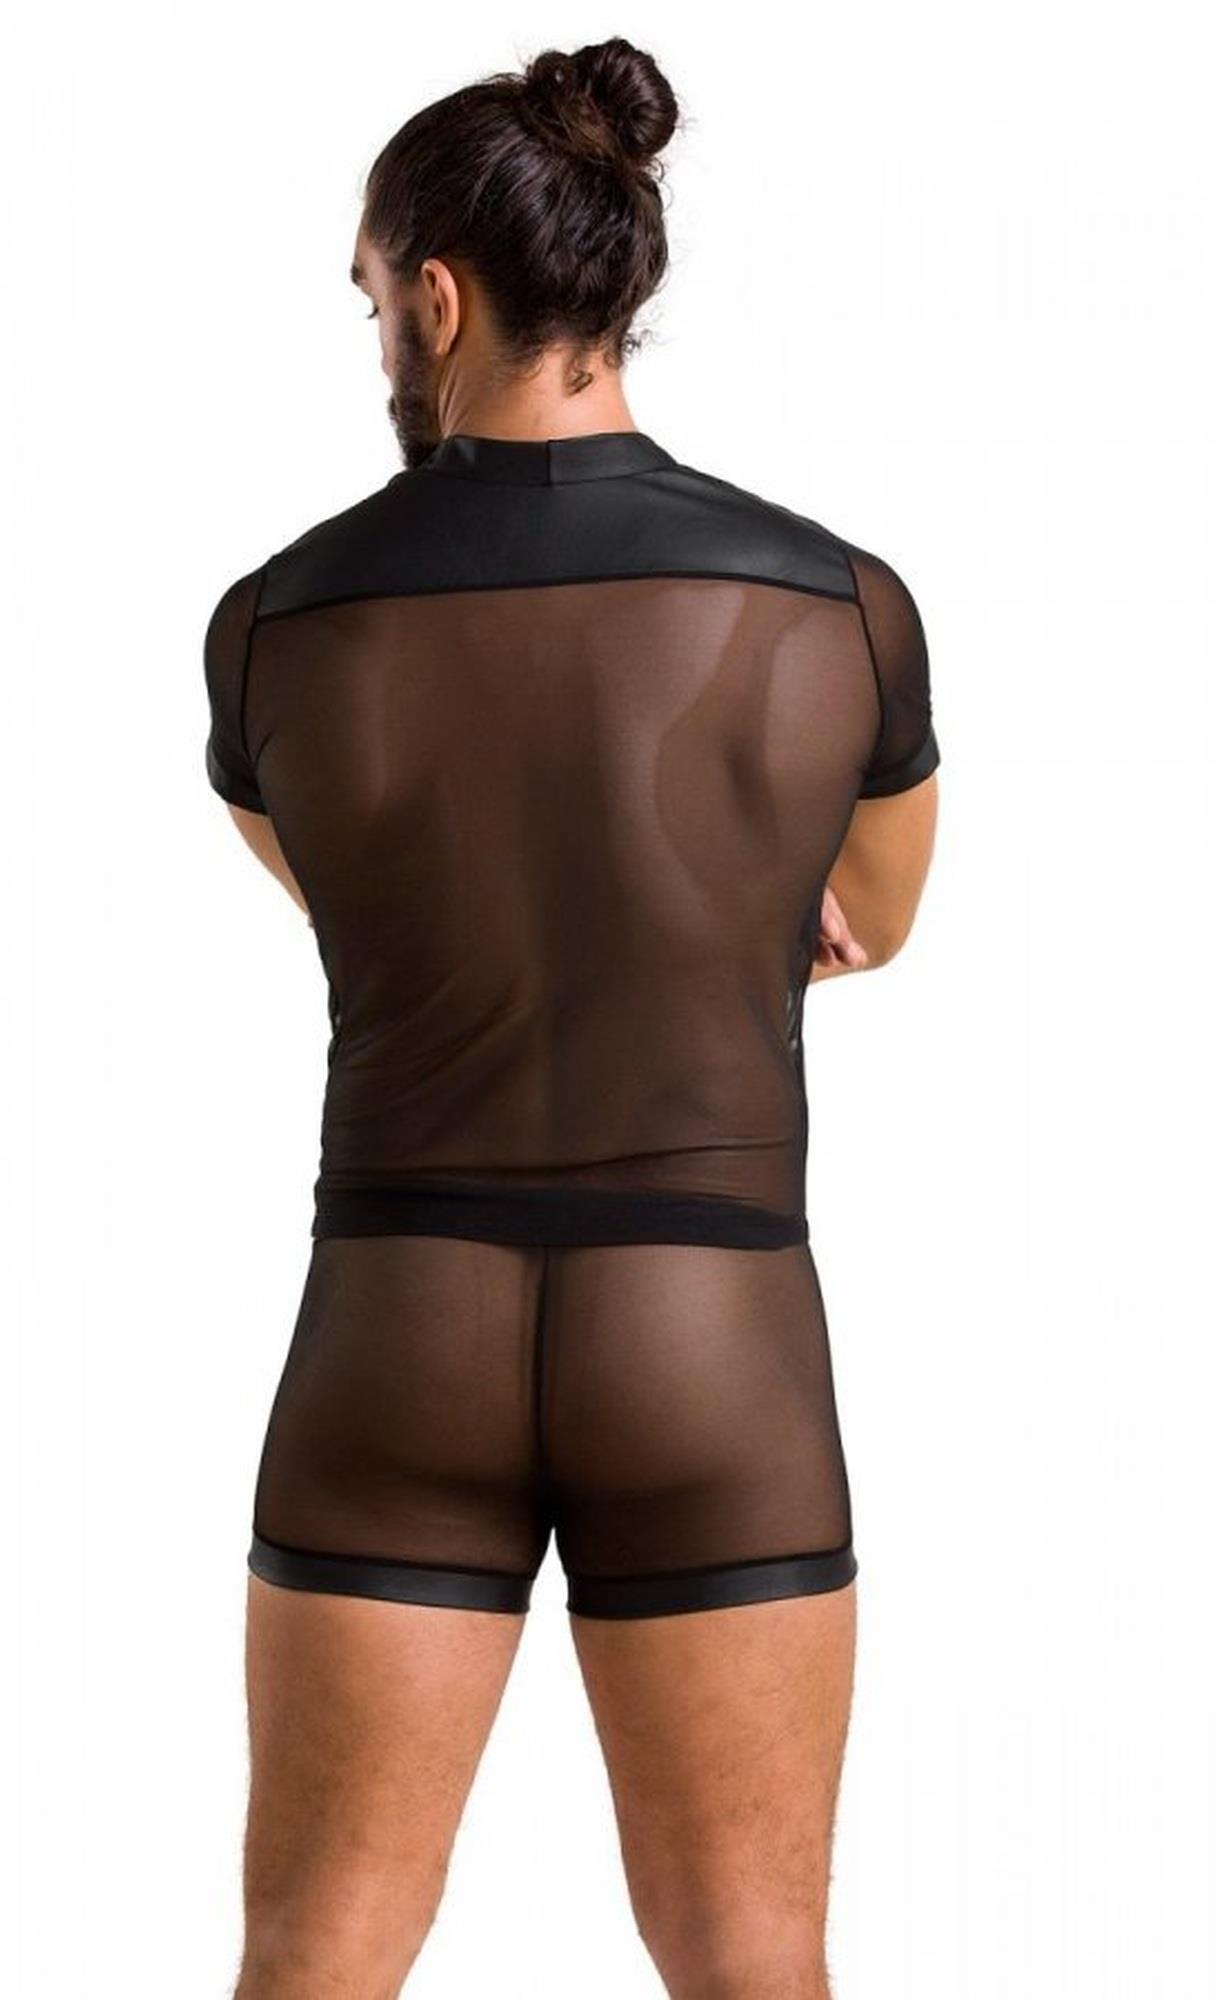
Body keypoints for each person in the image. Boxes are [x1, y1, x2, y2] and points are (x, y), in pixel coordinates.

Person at [204, 37, 939, 2000]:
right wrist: (717, 914)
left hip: (397, 1327)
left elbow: (350, 897)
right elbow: (870, 917)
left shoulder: (272, 622)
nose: (378, 340)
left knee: (315, 1949)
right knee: (753, 1955)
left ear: (438, 298)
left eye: (373, 298)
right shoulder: (839, 606)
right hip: (711, 1339)